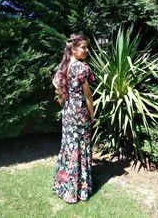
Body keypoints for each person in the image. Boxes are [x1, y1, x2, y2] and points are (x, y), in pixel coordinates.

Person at [52, 33, 95, 203]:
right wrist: (92, 114)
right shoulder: (81, 68)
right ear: (74, 48)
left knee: (69, 148)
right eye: (83, 47)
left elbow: (56, 84)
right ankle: (79, 190)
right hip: (79, 113)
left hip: (68, 112)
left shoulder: (64, 66)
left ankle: (63, 187)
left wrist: (64, 100)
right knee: (80, 148)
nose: (86, 51)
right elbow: (88, 95)